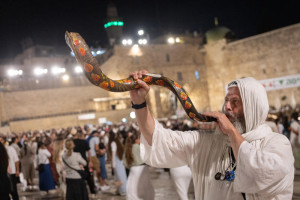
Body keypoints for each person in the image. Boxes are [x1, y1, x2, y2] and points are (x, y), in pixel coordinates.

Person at [130, 71, 294, 200]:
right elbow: (158, 139)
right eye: (226, 100)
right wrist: (139, 103)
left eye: (235, 102)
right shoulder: (208, 142)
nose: (227, 107)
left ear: (253, 107)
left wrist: (231, 132)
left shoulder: (277, 144)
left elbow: (262, 175)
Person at [123, 130, 154, 200]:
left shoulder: (128, 148)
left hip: (133, 169)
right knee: (146, 189)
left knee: (133, 189)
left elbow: (124, 162)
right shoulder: (140, 147)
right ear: (136, 139)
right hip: (142, 168)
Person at [0, 134, 20, 200]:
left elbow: (16, 160)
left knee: (14, 192)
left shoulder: (10, 149)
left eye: (1, 140)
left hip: (10, 174)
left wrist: (17, 170)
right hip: (5, 175)